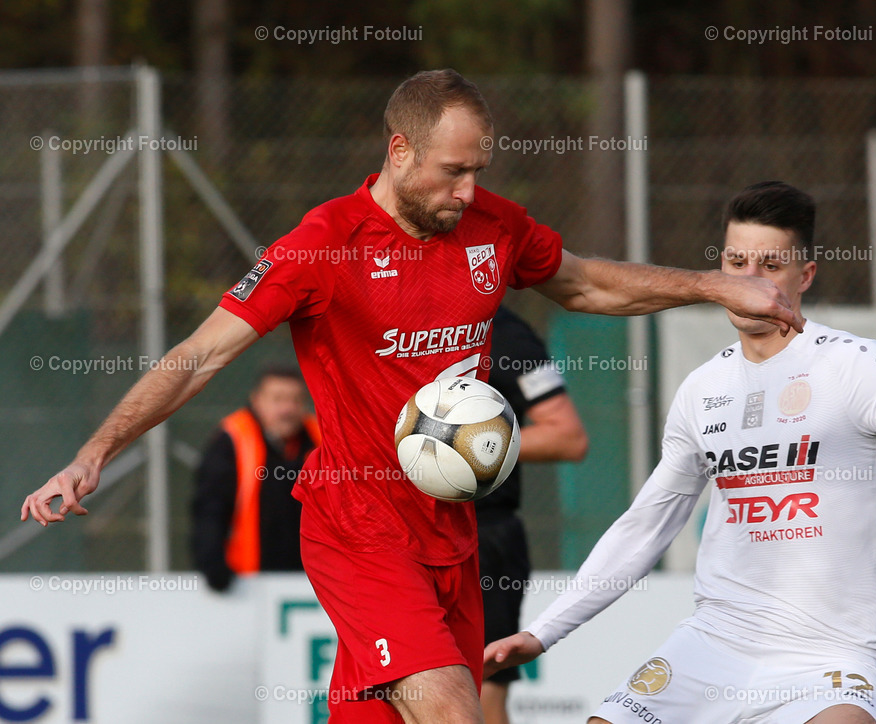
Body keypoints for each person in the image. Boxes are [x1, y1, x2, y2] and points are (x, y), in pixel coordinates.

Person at [20, 70, 802, 724]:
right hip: (356, 525)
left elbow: (587, 284)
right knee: (456, 709)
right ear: (399, 150)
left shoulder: (493, 227)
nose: (468, 190)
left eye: (479, 171)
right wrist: (94, 453)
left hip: (453, 531)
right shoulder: (323, 244)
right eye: (453, 171)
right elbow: (197, 356)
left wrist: (712, 285)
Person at [484, 181, 876, 724]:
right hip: (713, 644)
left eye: (770, 265)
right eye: (736, 262)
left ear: (806, 275)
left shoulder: (854, 365)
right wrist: (543, 632)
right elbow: (645, 526)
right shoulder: (703, 388)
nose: (749, 280)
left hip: (829, 658)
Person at [479, 306, 588, 724]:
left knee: (480, 688)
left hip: (480, 537)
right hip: (390, 535)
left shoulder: (503, 332)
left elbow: (568, 436)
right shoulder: (377, 318)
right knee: (392, 688)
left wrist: (466, 445)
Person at [191, 365, 320, 592]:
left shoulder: (320, 437)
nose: (288, 409)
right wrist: (212, 563)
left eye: (296, 400)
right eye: (278, 399)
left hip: (314, 580)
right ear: (257, 401)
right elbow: (210, 507)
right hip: (247, 581)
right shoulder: (233, 438)